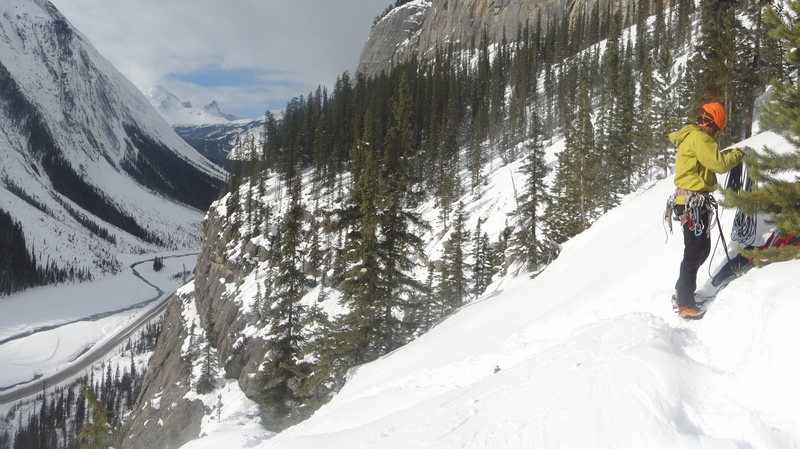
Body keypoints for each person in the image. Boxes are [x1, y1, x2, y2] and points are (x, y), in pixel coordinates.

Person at [668, 102, 749, 319]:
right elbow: (719, 164)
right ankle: (684, 302)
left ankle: (681, 292)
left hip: (689, 201)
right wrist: (739, 155)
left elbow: (710, 160)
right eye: (717, 129)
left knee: (699, 250)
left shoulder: (693, 137)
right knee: (695, 251)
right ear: (709, 122)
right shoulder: (699, 137)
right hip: (692, 202)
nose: (716, 133)